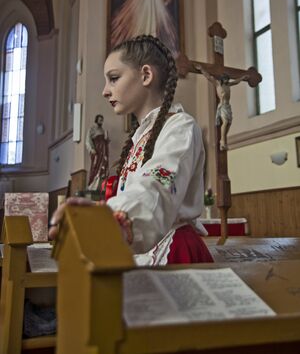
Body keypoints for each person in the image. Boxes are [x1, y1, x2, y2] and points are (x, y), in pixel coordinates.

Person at [49, 35, 213, 266]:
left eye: (113, 78)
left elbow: (156, 188)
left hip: (174, 252)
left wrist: (110, 221)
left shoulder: (180, 127)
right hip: (141, 251)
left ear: (146, 75)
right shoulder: (140, 137)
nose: (105, 91)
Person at [198, 66, 249, 151]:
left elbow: (236, 82)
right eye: (225, 79)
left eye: (228, 80)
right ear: (222, 79)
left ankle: (224, 140)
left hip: (228, 106)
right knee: (225, 122)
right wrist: (202, 69)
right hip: (222, 106)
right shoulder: (217, 84)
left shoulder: (228, 84)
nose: (227, 81)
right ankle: (222, 141)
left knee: (229, 123)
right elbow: (208, 77)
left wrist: (243, 77)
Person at [85, 114, 109, 190]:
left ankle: (101, 186)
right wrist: (92, 149)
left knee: (103, 167)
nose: (101, 121)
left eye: (102, 120)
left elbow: (105, 142)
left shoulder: (103, 130)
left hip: (103, 151)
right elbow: (88, 140)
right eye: (100, 120)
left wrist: (106, 139)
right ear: (96, 120)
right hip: (97, 152)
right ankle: (92, 185)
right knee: (95, 166)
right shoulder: (92, 129)